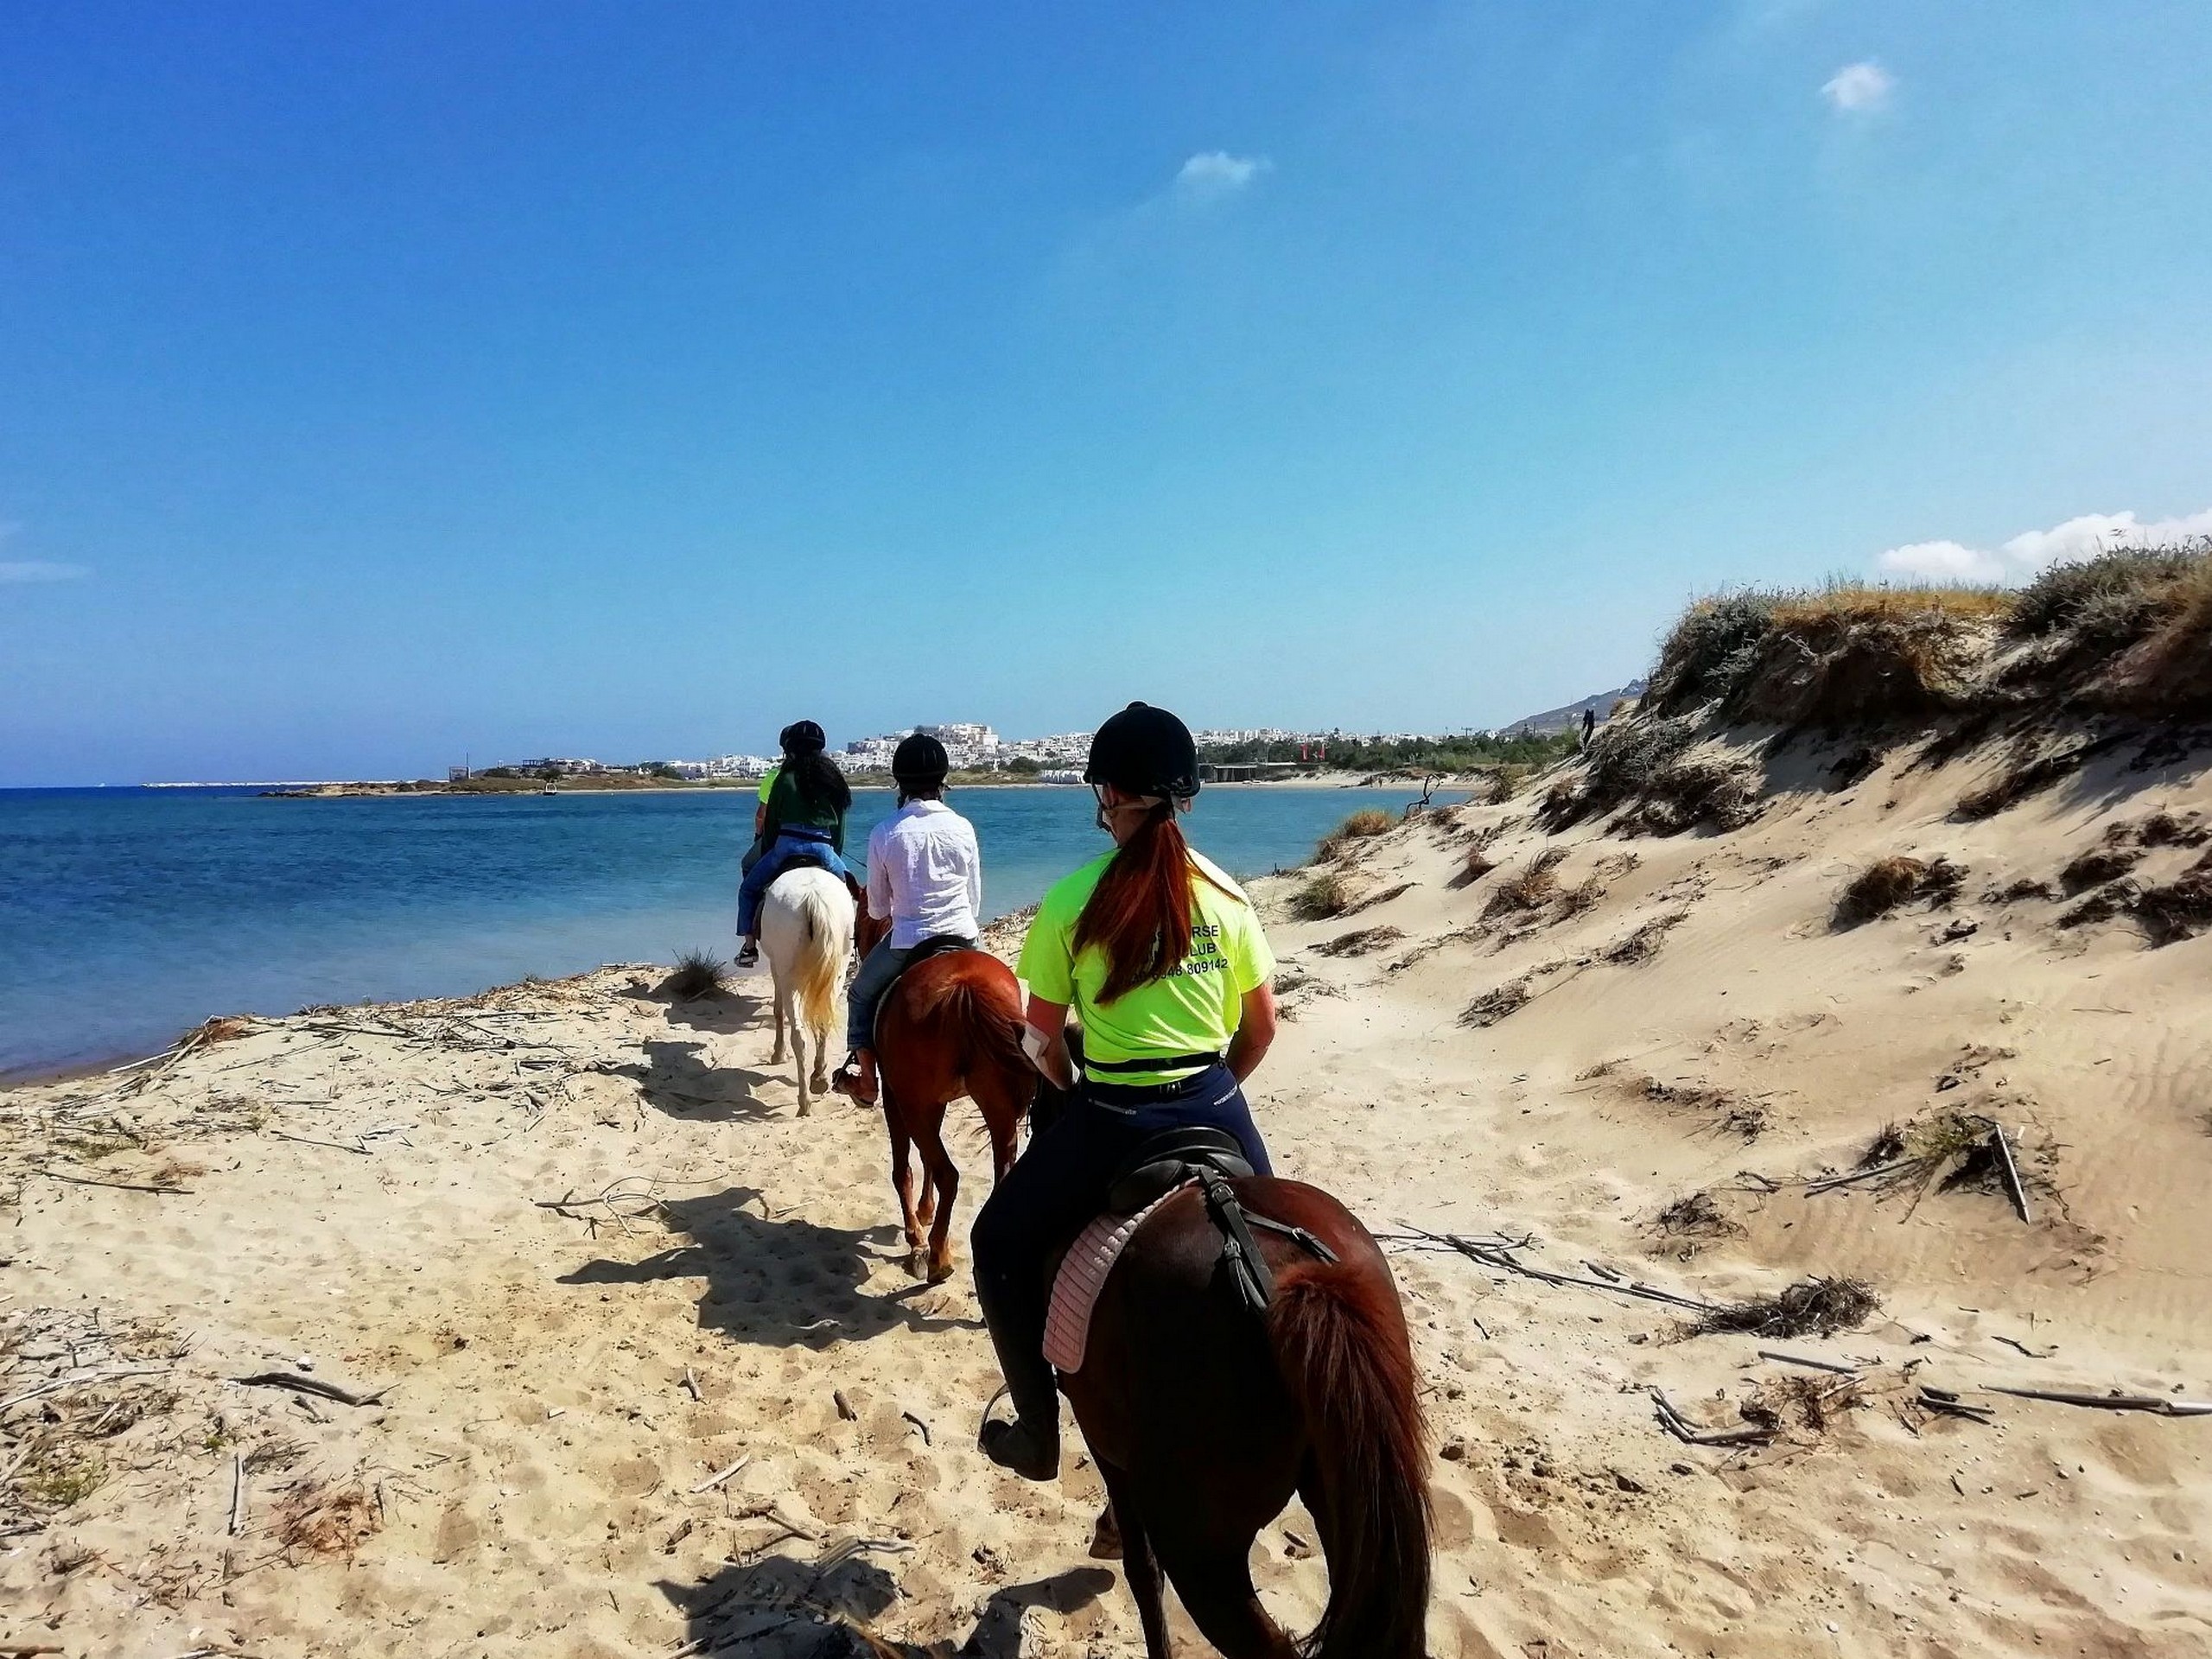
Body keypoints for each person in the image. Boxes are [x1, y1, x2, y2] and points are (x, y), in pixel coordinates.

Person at [970, 701, 1279, 1479]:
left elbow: (1040, 1040)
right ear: (1188, 798)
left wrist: (1071, 1092)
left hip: (1113, 1115)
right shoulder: (1229, 898)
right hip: (1215, 1103)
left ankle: (1037, 1433)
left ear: (1107, 797)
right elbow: (1262, 1029)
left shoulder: (1073, 901)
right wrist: (1212, 1093)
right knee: (1284, 1260)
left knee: (996, 1244)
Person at [833, 733, 983, 1106]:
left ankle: (867, 1080)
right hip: (964, 936)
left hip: (909, 941)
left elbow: (878, 910)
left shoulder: (886, 832)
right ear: (943, 782)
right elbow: (974, 899)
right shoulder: (963, 827)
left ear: (898, 784)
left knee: (860, 994)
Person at [734, 721, 853, 969]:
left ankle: (748, 947)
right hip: (824, 849)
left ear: (791, 749)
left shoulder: (783, 779)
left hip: (786, 847)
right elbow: (840, 827)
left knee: (748, 889)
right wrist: (834, 855)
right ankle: (853, 948)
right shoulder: (832, 779)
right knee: (854, 894)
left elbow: (772, 823)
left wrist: (769, 853)